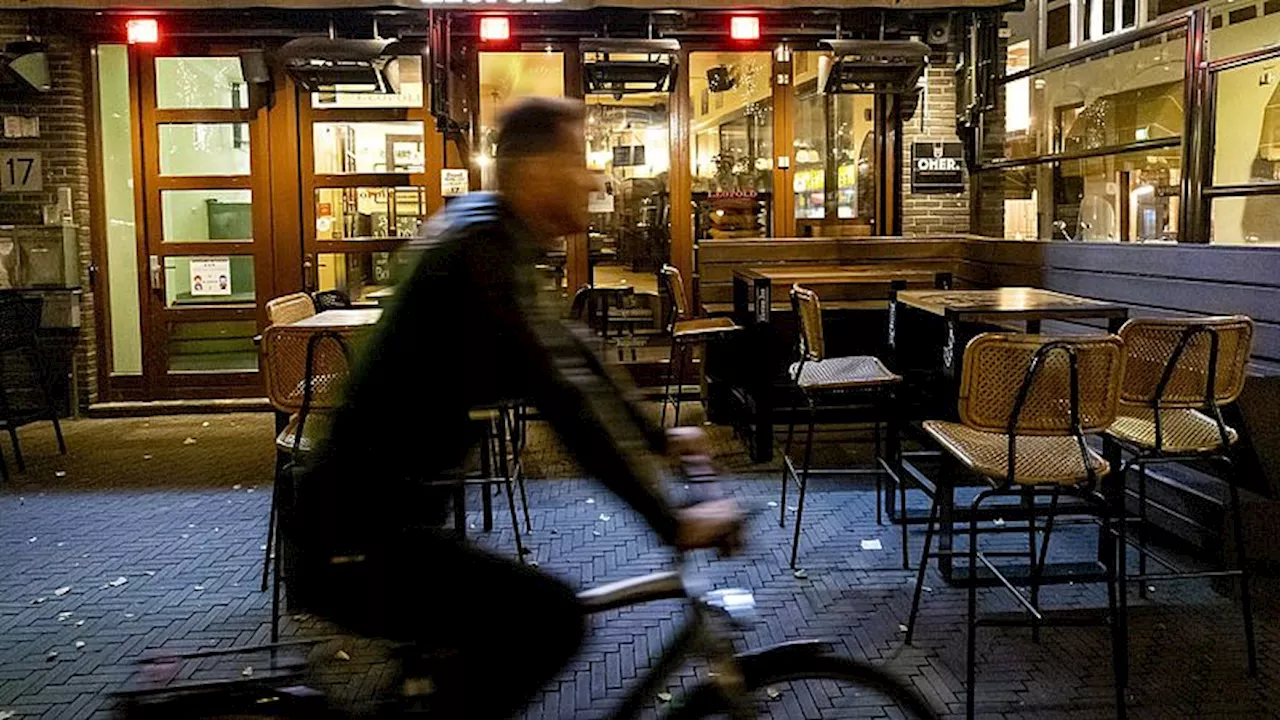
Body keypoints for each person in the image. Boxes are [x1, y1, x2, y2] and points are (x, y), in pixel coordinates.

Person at [285, 97, 743, 718]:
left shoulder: (494, 238)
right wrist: (671, 522)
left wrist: (660, 439)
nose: (593, 178)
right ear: (534, 171)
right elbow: (564, 405)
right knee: (549, 619)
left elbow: (570, 358)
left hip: (371, 523)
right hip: (360, 538)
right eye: (577, 161)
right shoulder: (480, 259)